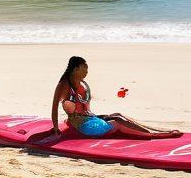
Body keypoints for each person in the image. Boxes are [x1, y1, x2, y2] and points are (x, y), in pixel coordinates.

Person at [35, 56, 179, 142]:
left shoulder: (82, 84)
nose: (87, 72)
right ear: (76, 69)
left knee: (118, 115)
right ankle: (156, 135)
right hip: (82, 126)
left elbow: (85, 105)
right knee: (117, 122)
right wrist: (55, 130)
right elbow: (54, 107)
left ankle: (158, 130)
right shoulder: (64, 85)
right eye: (84, 68)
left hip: (89, 118)